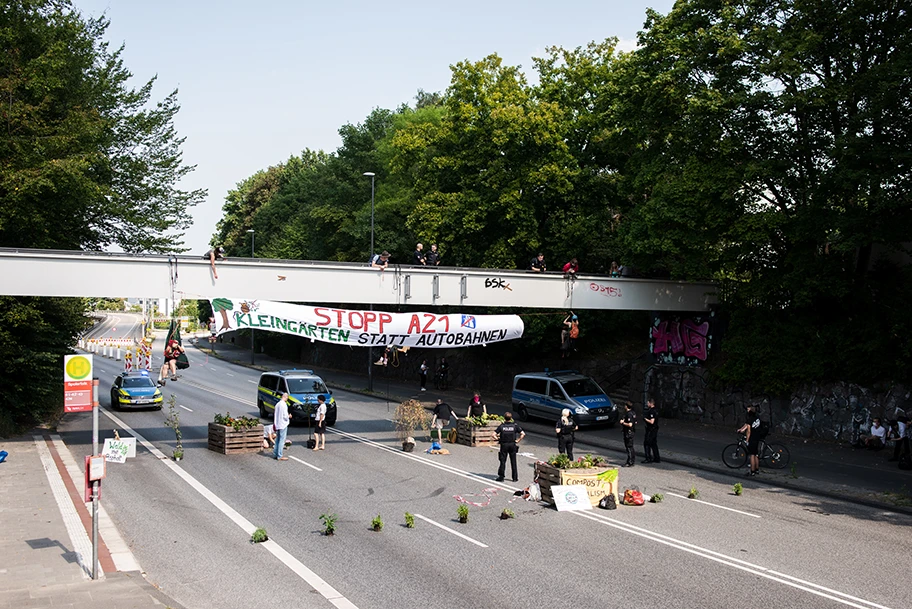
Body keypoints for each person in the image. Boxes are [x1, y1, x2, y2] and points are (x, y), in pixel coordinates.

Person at [494, 412, 525, 482]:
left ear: (504, 418)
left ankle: (501, 477)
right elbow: (523, 434)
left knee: (503, 461)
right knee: (513, 461)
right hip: (512, 445)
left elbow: (493, 434)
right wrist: (518, 440)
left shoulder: (502, 426)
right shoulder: (515, 426)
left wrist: (498, 439)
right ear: (511, 418)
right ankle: (515, 478)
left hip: (504, 445)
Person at [737, 405, 762, 476]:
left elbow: (748, 431)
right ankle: (757, 469)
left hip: (752, 438)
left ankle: (752, 471)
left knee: (752, 455)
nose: (747, 411)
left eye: (748, 410)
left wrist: (747, 440)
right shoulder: (757, 417)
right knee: (756, 454)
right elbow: (746, 425)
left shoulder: (750, 419)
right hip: (757, 437)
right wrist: (741, 429)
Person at [274, 393, 291, 460]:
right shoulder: (284, 405)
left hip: (277, 424)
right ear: (286, 397)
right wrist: (289, 416)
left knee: (277, 440)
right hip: (283, 424)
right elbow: (285, 415)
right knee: (282, 440)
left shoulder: (277, 404)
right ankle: (280, 455)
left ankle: (275, 453)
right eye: (287, 398)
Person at [643, 399, 661, 464]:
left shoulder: (651, 411)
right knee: (654, 444)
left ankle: (648, 458)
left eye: (648, 403)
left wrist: (645, 419)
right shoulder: (656, 410)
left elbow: (651, 421)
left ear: (651, 403)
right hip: (655, 429)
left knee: (647, 443)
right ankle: (657, 457)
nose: (647, 404)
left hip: (651, 429)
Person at [621, 401, 636, 467]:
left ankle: (630, 462)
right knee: (631, 447)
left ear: (626, 406)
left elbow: (630, 424)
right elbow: (635, 422)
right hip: (632, 432)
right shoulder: (633, 413)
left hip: (628, 432)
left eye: (625, 405)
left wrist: (623, 423)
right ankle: (632, 460)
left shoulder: (628, 414)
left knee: (629, 447)